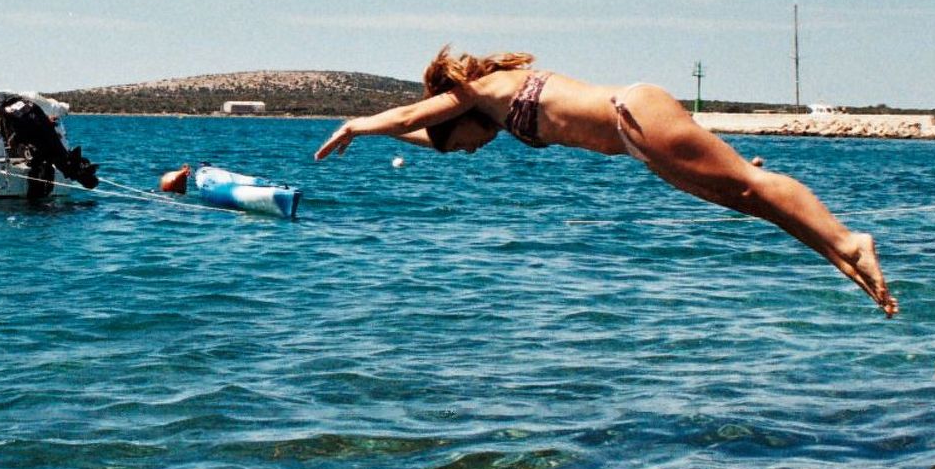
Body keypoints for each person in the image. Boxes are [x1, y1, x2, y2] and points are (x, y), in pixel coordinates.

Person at [315, 48, 898, 315]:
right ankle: (841, 256)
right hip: (636, 134)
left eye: (459, 138)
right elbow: (425, 134)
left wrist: (356, 123)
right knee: (746, 201)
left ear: (455, 110)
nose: (465, 152)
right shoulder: (483, 108)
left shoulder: (483, 91)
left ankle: (851, 242)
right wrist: (376, 137)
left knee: (747, 185)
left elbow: (419, 117)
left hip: (635, 115)